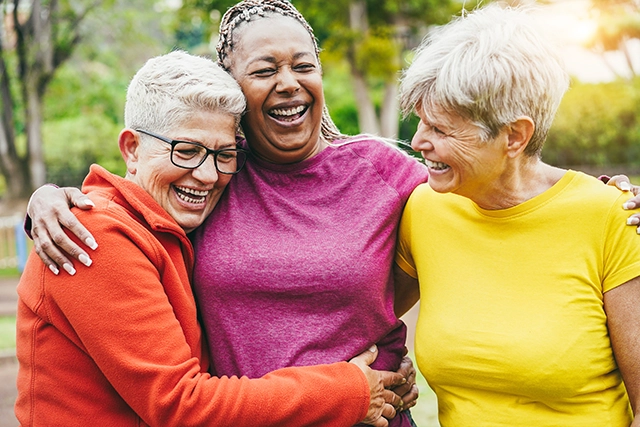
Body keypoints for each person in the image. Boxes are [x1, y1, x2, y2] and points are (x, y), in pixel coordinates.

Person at [21, 0, 640, 423]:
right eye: (264, 70)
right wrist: (51, 198)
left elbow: (495, 167)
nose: (288, 81)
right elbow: (139, 182)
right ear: (233, 88)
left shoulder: (392, 175)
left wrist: (606, 195)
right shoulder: (214, 176)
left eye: (303, 66)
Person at [15, 50, 409, 427]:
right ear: (132, 149)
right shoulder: (94, 234)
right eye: (186, 151)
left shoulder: (175, 225)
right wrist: (350, 391)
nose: (207, 175)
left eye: (223, 155)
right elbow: (180, 403)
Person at [393, 4, 640, 426]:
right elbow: (356, 318)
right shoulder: (424, 209)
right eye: (420, 122)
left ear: (515, 136)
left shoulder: (612, 218)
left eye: (440, 129)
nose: (418, 141)